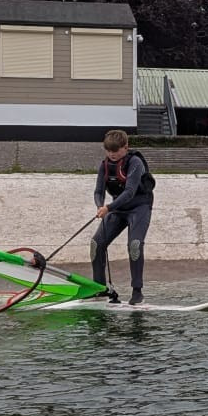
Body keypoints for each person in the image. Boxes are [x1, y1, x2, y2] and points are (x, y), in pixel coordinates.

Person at [91, 129, 155, 305]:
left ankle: (137, 293)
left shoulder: (135, 163)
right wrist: (100, 206)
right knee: (96, 243)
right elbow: (98, 191)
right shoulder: (104, 165)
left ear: (126, 147)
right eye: (108, 151)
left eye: (115, 151)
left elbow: (129, 192)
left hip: (139, 208)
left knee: (134, 245)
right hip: (118, 209)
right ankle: (100, 289)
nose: (111, 155)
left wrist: (108, 207)